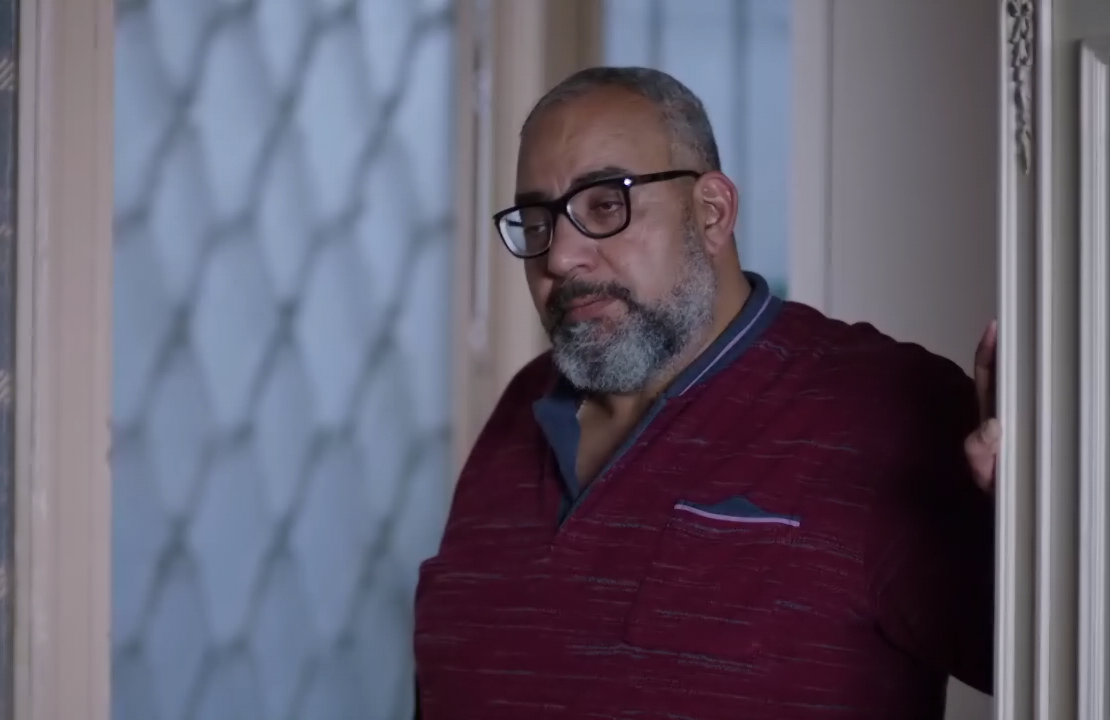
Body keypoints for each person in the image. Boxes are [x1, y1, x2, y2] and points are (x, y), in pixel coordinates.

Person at [412, 66, 1001, 720]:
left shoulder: (884, 408)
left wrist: (1038, 510)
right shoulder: (520, 409)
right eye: (537, 220)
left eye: (605, 205)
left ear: (712, 213)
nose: (559, 258)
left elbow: (1063, 658)